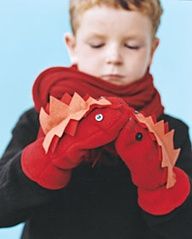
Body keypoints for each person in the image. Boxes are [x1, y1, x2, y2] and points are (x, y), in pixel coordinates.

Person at [0, 0, 192, 239]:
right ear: (72, 46)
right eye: (97, 44)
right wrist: (46, 158)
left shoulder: (173, 131)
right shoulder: (39, 118)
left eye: (131, 46)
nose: (114, 57)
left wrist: (158, 181)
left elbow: (184, 229)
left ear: (152, 50)